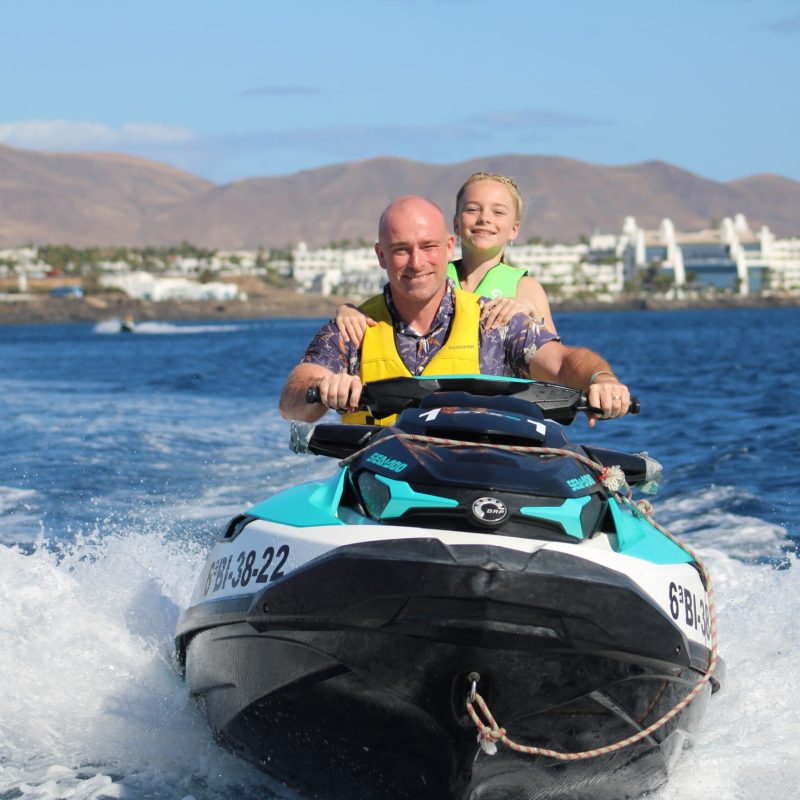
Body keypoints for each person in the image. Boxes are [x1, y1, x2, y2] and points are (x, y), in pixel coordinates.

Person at [279, 195, 630, 427]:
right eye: (401, 250)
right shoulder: (351, 331)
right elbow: (293, 401)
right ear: (381, 256)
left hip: (478, 490)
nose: (417, 263)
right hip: (376, 501)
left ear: (449, 247)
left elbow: (563, 361)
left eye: (428, 247)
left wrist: (601, 380)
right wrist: (324, 387)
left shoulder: (494, 324)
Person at [334, 172, 556, 346]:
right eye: (472, 209)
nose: (484, 218)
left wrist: (532, 314)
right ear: (456, 224)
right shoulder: (429, 275)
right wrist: (349, 312)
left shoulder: (525, 288)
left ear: (514, 229)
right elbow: (385, 309)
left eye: (498, 212)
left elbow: (551, 356)